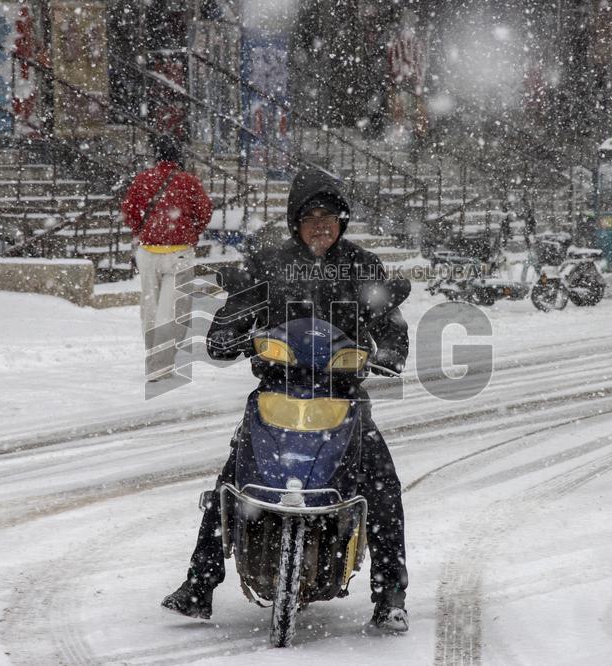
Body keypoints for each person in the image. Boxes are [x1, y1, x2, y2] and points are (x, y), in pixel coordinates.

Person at [160, 168, 411, 632]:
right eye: (311, 215)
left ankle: (390, 594)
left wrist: (389, 352)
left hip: (344, 394)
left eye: (330, 216)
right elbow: (234, 315)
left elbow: (390, 322)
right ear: (296, 220)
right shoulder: (269, 265)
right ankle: (199, 583)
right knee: (231, 480)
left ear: (343, 221)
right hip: (277, 388)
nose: (321, 225)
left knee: (381, 484)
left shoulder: (363, 266)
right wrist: (228, 334)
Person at [122, 136, 212, 381]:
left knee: (150, 309)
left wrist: (144, 230)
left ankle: (154, 358)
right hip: (179, 252)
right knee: (173, 311)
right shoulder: (189, 182)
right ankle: (162, 363)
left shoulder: (143, 179)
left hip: (148, 252)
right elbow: (204, 212)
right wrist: (190, 230)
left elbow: (129, 211)